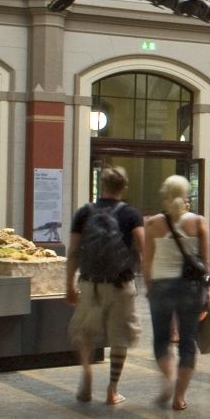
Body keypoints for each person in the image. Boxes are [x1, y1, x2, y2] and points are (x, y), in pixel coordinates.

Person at [65, 166, 146, 406]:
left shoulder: (84, 213)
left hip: (90, 284)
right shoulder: (131, 214)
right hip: (120, 285)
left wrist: (69, 284)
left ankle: (87, 373)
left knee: (85, 333)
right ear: (124, 187)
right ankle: (112, 389)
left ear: (101, 186)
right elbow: (143, 249)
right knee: (119, 336)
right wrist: (147, 278)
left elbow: (73, 252)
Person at [143, 174, 210, 411]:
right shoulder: (199, 222)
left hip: (161, 285)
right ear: (186, 195)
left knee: (161, 339)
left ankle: (169, 378)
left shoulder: (152, 224)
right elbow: (205, 262)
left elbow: (146, 261)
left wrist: (148, 286)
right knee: (187, 342)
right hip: (189, 288)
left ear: (164, 196)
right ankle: (179, 397)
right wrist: (206, 291)